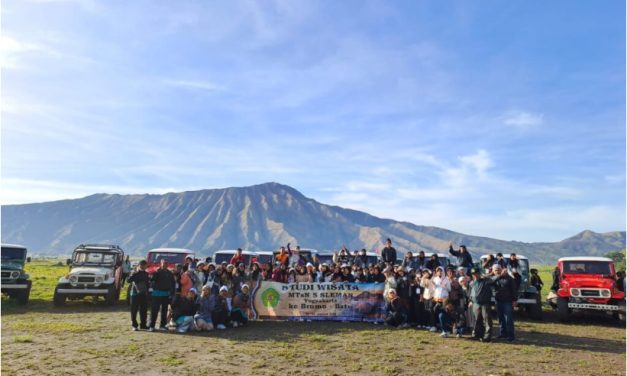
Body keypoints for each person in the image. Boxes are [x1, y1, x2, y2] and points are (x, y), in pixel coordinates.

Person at [491, 264, 518, 343]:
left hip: (507, 301)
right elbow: (489, 282)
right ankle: (503, 333)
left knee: (508, 319)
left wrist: (515, 300)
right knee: (500, 318)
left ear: (501, 270)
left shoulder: (509, 278)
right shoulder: (493, 278)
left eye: (498, 270)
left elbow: (514, 289)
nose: (497, 271)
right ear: (493, 271)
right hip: (498, 301)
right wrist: (498, 276)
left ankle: (511, 336)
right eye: (495, 270)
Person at [149, 258, 176, 332]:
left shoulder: (170, 274)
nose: (165, 264)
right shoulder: (157, 272)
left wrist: (172, 294)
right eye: (164, 263)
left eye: (167, 263)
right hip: (157, 294)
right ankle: (151, 325)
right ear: (161, 264)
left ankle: (162, 325)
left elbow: (173, 284)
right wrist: (156, 273)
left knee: (164, 311)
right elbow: (151, 280)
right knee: (154, 310)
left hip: (166, 294)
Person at [468, 268, 494, 342]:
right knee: (477, 320)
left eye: (476, 273)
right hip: (476, 304)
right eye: (473, 274)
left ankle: (487, 336)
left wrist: (496, 274)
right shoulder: (471, 283)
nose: (475, 275)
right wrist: (470, 300)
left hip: (485, 304)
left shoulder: (485, 281)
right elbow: (470, 293)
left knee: (487, 320)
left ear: (479, 273)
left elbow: (493, 279)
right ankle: (478, 335)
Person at [127, 260, 149, 331]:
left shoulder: (146, 273)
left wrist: (147, 292)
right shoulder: (135, 272)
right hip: (135, 294)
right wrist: (133, 273)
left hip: (143, 294)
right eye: (141, 265)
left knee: (144, 310)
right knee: (134, 310)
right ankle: (134, 325)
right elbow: (128, 281)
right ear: (138, 265)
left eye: (144, 265)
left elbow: (147, 283)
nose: (143, 266)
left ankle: (143, 324)